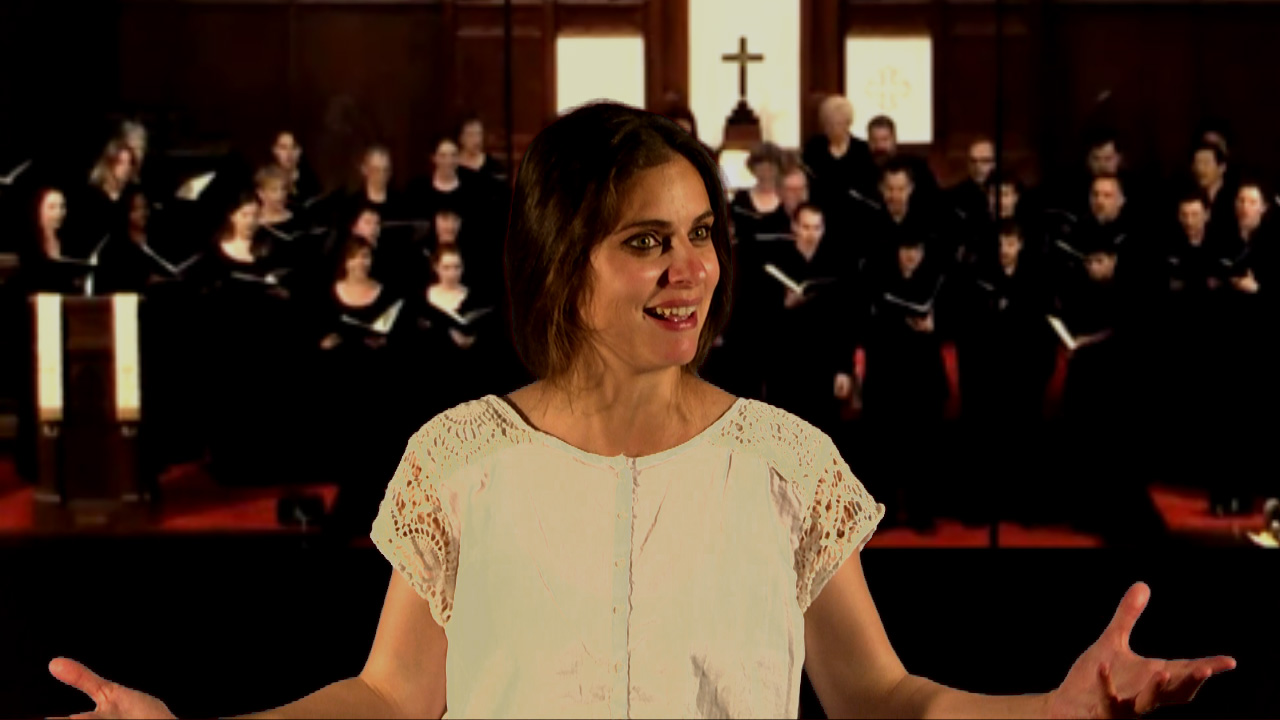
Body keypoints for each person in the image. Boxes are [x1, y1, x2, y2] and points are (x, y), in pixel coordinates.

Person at [46, 101, 1236, 720]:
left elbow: (884, 700)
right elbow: (387, 699)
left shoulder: (786, 463)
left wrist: (1053, 712)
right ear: (563, 262)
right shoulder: (455, 461)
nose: (692, 268)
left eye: (701, 234)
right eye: (645, 241)